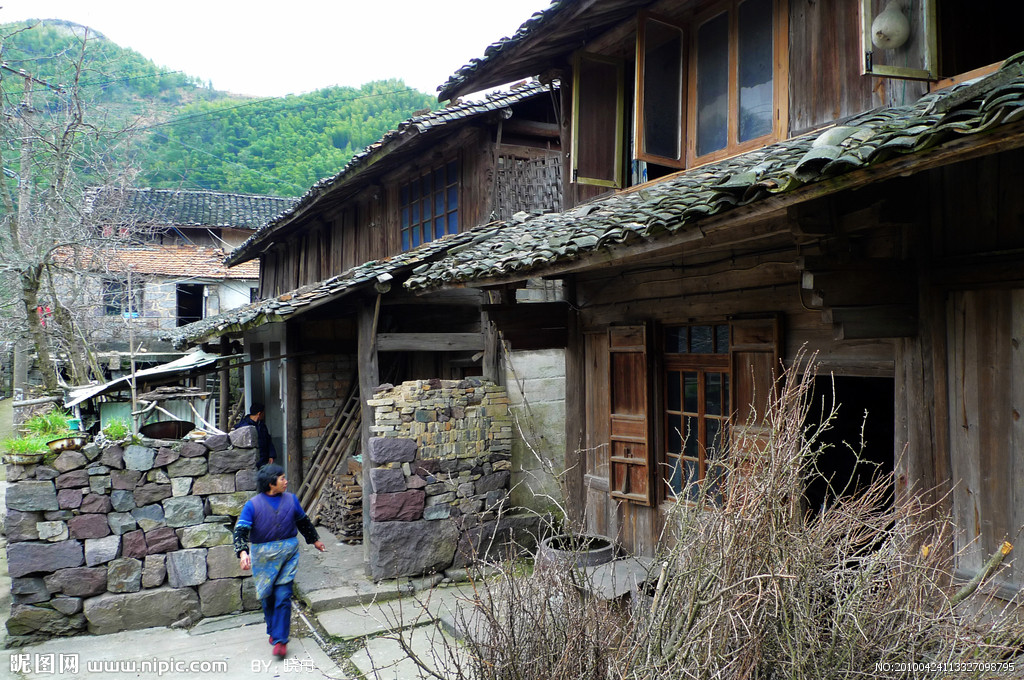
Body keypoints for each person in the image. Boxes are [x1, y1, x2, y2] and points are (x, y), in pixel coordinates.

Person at [233, 464, 325, 659]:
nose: (286, 481)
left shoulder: (291, 500)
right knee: (267, 596)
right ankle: (273, 630)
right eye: (282, 478)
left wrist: (314, 540)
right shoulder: (253, 505)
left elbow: (303, 522)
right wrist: (243, 553)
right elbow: (241, 530)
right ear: (270, 483)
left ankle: (281, 640)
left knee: (283, 595)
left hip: (288, 555)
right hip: (263, 558)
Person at [234, 402, 277, 468]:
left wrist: (271, 455)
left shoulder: (262, 425)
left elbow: (268, 440)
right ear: (259, 413)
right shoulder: (244, 426)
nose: (264, 415)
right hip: (251, 460)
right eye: (263, 413)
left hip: (264, 460)